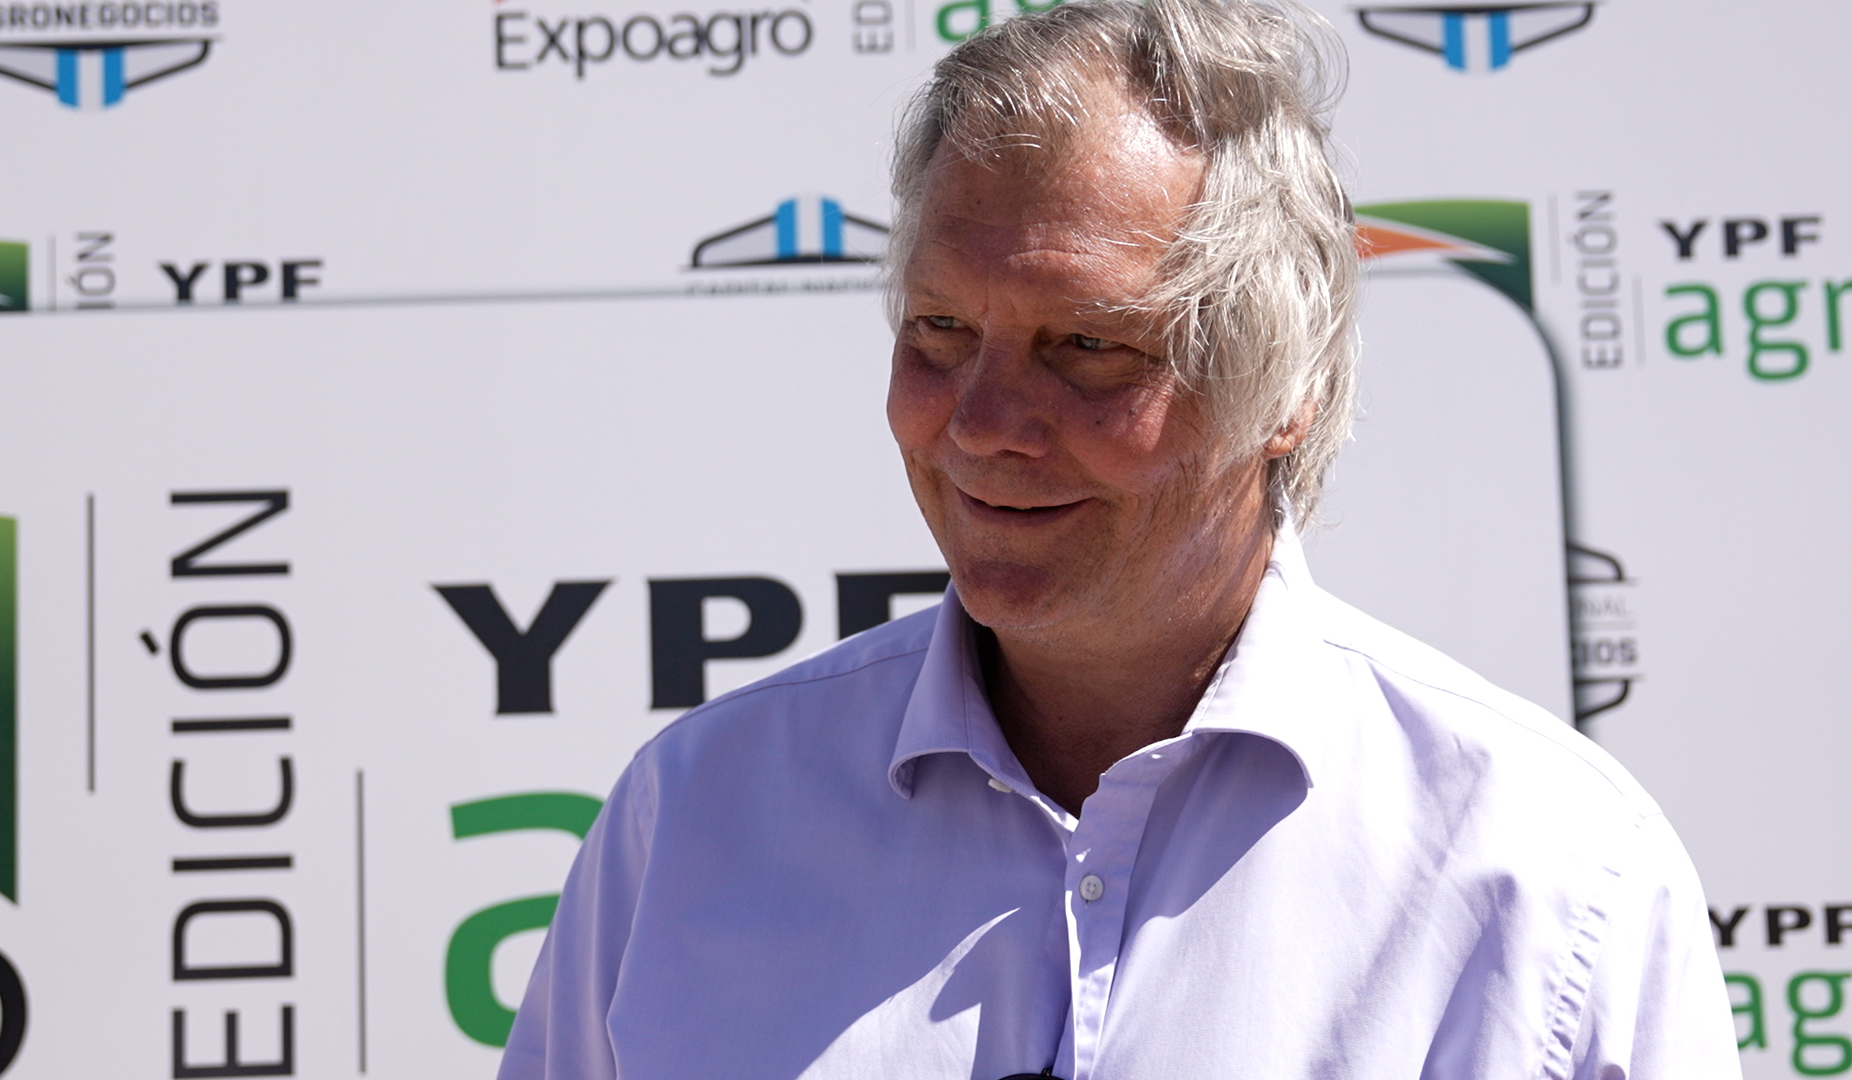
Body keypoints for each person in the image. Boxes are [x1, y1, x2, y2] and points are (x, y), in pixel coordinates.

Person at [499, 0, 1740, 1075]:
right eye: (939, 330)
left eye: (1088, 346)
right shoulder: (692, 820)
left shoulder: (1552, 871)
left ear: (1288, 386)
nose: (982, 424)